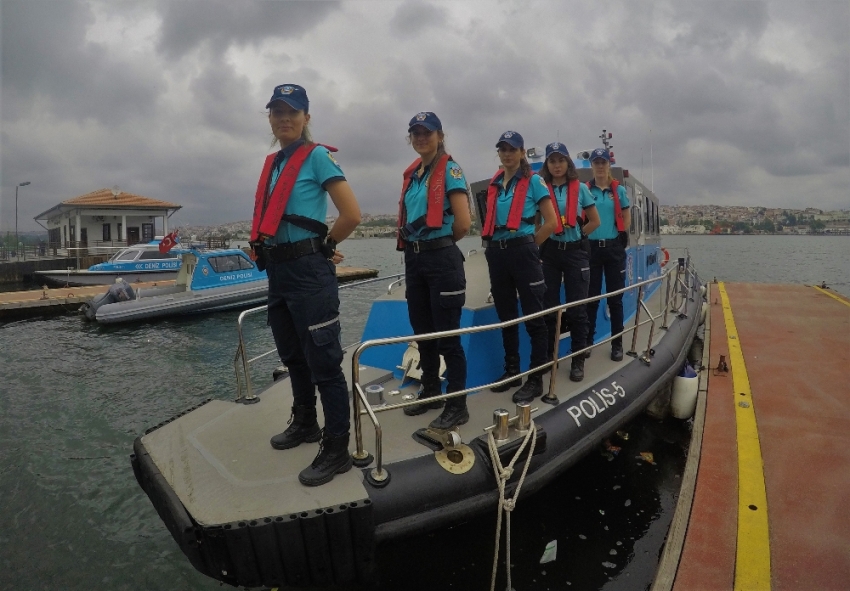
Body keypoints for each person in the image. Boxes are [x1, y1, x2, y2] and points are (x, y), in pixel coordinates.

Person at [249, 84, 361, 487]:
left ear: (306, 118)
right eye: (277, 112)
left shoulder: (317, 158)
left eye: (292, 112)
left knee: (324, 363)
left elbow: (351, 213)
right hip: (278, 274)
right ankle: (306, 422)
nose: (284, 119)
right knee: (293, 356)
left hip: (308, 272)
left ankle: (337, 448)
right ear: (270, 119)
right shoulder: (275, 163)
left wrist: (325, 247)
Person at [396, 112, 471, 429]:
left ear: (440, 135)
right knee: (424, 334)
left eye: (426, 132)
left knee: (448, 339)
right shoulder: (415, 175)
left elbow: (463, 223)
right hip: (414, 263)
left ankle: (457, 405)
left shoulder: (450, 170)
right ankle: (431, 391)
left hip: (441, 260)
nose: (420, 137)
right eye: (415, 132)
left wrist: (437, 244)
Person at [482, 131, 558, 403]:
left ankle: (535, 378)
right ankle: (512, 371)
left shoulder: (534, 182)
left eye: (512, 149)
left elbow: (551, 222)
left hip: (523, 251)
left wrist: (530, 246)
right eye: (502, 149)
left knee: (534, 317)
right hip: (497, 254)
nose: (507, 153)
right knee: (507, 316)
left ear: (522, 152)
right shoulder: (495, 183)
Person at [538, 142, 600, 381]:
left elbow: (595, 221)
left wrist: (579, 235)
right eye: (552, 161)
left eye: (560, 160)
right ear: (547, 164)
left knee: (578, 309)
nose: (556, 165)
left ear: (568, 163)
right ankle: (546, 358)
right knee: (549, 308)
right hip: (550, 253)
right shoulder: (541, 188)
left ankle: (578, 360)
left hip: (575, 253)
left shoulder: (581, 189)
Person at [584, 147, 631, 362]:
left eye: (603, 162)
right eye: (597, 162)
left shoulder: (618, 191)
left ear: (608, 165)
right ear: (592, 165)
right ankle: (587, 342)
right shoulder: (586, 190)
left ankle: (617, 344)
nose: (600, 166)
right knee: (591, 298)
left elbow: (626, 217)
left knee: (615, 299)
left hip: (613, 248)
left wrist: (619, 238)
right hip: (591, 248)